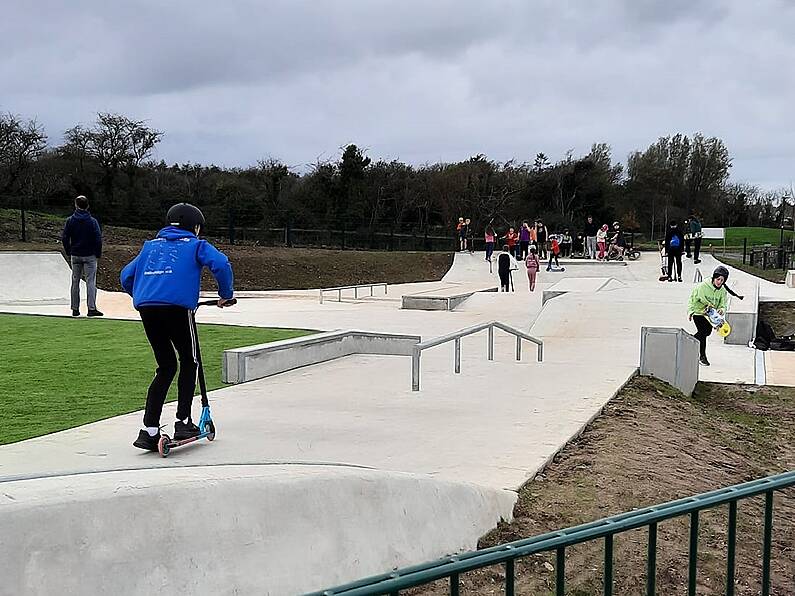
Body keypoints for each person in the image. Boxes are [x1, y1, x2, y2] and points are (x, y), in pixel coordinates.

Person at [121, 203, 235, 451]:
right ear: (195, 227)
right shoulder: (196, 245)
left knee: (165, 366)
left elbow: (125, 276)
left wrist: (145, 293)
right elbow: (221, 264)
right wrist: (225, 294)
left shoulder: (149, 247)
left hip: (148, 309)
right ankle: (183, 422)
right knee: (189, 360)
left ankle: (149, 429)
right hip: (178, 309)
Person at [62, 195, 104, 317]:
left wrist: (69, 250)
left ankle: (75, 308)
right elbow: (98, 238)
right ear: (88, 206)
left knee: (75, 281)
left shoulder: (70, 220)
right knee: (91, 281)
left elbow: (65, 237)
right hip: (90, 254)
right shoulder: (92, 221)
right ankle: (91, 308)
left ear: (76, 205)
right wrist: (98, 253)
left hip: (75, 254)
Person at [688, 266, 728, 366]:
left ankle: (691, 340)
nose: (719, 282)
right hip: (699, 312)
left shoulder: (723, 291)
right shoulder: (703, 286)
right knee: (702, 332)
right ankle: (702, 356)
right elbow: (692, 298)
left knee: (707, 332)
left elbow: (723, 304)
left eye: (722, 280)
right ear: (714, 278)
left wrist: (721, 310)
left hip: (710, 315)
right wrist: (690, 311)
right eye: (717, 279)